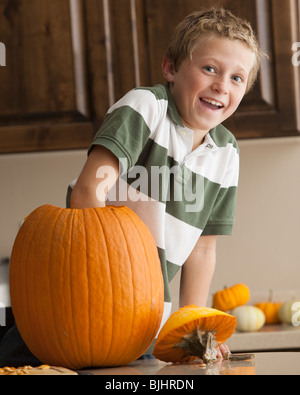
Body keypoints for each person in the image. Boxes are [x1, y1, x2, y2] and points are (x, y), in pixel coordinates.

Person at [0, 7, 263, 365]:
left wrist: (193, 330)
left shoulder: (226, 154)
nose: (221, 84)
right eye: (210, 69)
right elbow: (88, 192)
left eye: (237, 78)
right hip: (72, 309)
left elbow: (202, 251)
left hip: (143, 327)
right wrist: (102, 291)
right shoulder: (146, 109)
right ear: (171, 68)